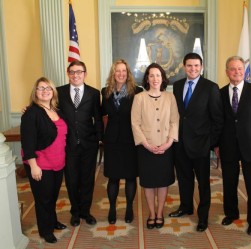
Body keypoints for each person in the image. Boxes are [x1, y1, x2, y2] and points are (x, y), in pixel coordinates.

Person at [215, 56, 251, 236]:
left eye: (239, 68)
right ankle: (231, 213)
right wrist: (216, 145)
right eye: (232, 69)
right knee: (229, 184)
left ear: (244, 70)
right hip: (228, 146)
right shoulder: (220, 93)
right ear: (226, 72)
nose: (236, 72)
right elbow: (218, 122)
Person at [169, 52, 224, 232]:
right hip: (180, 143)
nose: (193, 69)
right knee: (184, 178)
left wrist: (210, 143)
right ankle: (186, 207)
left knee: (203, 182)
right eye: (189, 65)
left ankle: (203, 216)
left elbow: (217, 119)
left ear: (201, 67)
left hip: (201, 144)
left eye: (196, 66)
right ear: (184, 66)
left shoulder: (211, 87)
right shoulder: (177, 86)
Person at [131, 63, 179, 229]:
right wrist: (146, 144)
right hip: (146, 148)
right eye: (151, 75)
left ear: (162, 78)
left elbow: (175, 121)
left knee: (163, 181)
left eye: (158, 75)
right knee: (149, 182)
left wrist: (169, 142)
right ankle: (152, 213)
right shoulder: (139, 98)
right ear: (147, 79)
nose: (155, 79)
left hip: (166, 146)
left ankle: (160, 213)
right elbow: (135, 124)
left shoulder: (170, 97)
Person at [21, 77, 68, 243]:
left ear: (53, 92)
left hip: (58, 163)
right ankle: (45, 230)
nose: (45, 91)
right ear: (35, 92)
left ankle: (52, 221)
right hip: (41, 164)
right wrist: (34, 166)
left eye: (48, 88)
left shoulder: (57, 110)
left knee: (53, 196)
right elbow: (27, 143)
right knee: (43, 199)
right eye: (41, 88)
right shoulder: (31, 113)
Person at [57, 60, 103, 227]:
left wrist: (99, 139)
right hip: (67, 145)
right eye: (72, 72)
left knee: (87, 179)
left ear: (85, 74)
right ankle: (75, 212)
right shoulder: (59, 92)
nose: (76, 75)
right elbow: (48, 111)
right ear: (68, 73)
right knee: (71, 180)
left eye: (79, 72)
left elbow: (97, 118)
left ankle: (85, 211)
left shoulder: (93, 93)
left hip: (89, 144)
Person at [101, 59, 143, 224]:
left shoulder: (137, 91)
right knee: (113, 178)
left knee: (131, 177)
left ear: (128, 73)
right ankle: (112, 208)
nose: (121, 74)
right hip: (112, 141)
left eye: (124, 71)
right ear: (113, 73)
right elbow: (101, 114)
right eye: (117, 71)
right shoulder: (105, 91)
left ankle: (129, 208)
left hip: (130, 140)